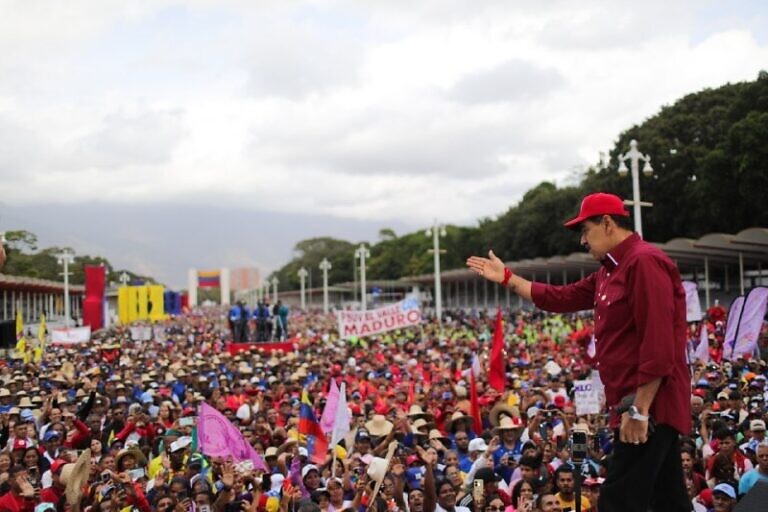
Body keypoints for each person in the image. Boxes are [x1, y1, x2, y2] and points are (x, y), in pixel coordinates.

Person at [467, 192, 691, 512]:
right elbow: (560, 297)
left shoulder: (643, 262)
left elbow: (658, 343)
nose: (583, 240)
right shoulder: (609, 270)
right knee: (668, 499)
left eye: (585, 231)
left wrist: (640, 410)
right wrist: (506, 278)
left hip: (648, 405)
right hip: (638, 403)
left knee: (618, 500)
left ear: (608, 223)